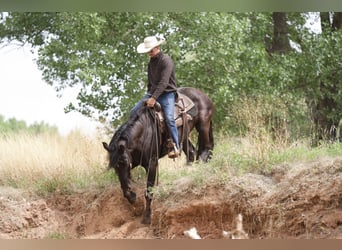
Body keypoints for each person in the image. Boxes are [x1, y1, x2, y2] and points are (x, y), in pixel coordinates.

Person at [131, 36, 179, 158]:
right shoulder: (150, 63)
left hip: (167, 93)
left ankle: (175, 145)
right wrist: (148, 95)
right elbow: (150, 82)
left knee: (169, 118)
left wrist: (153, 98)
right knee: (133, 111)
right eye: (148, 51)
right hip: (152, 93)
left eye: (151, 50)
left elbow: (163, 83)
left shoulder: (166, 61)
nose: (149, 53)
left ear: (157, 47)